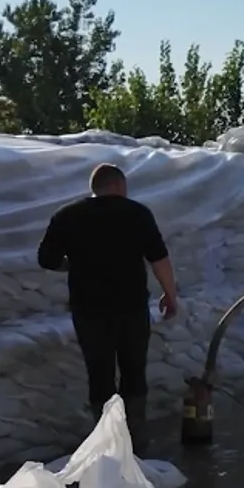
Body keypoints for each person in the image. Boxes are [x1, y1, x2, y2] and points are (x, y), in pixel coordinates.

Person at [36, 163, 178, 453]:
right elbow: (158, 259)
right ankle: (136, 443)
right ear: (117, 186)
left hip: (89, 311)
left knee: (99, 374)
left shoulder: (67, 215)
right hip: (131, 307)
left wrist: (73, 263)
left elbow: (46, 259)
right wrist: (169, 294)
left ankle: (107, 445)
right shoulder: (137, 213)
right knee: (133, 371)